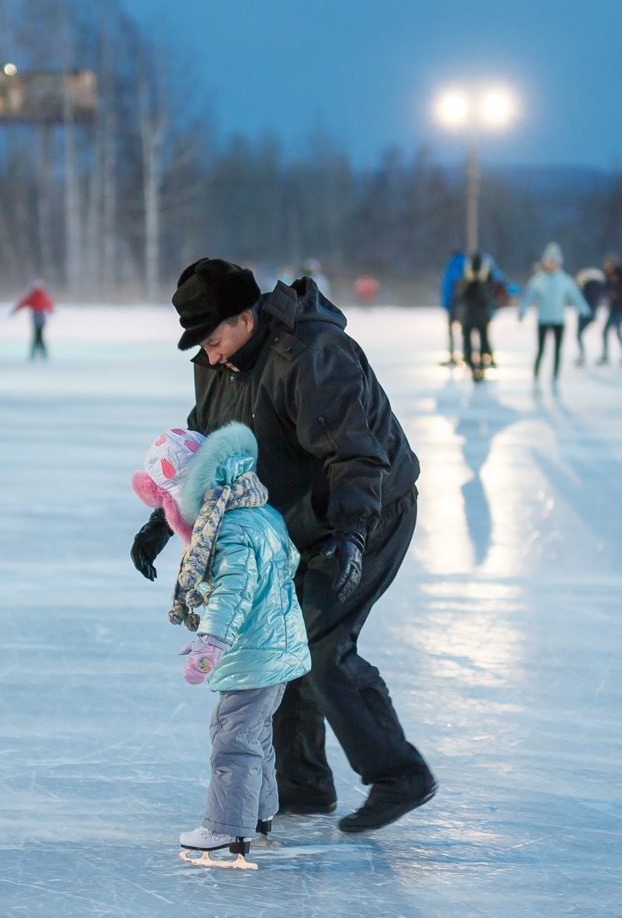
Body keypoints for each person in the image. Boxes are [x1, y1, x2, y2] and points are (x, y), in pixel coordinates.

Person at [132, 258, 435, 833]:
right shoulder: (215, 362)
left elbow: (357, 456)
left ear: (245, 318)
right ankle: (303, 785)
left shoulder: (313, 356)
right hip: (293, 519)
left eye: (214, 339)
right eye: (201, 344)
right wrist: (163, 515)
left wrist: (350, 535)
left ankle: (399, 775)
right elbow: (206, 443)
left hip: (368, 508)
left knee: (321, 646)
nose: (210, 355)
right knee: (277, 642)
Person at [131, 424, 310, 859]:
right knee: (255, 734)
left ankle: (228, 827)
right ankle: (259, 813)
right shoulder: (258, 509)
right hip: (274, 642)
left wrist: (209, 644)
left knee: (233, 738)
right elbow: (288, 561)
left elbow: (233, 589)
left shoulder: (229, 528)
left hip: (254, 650)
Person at [517, 242, 589, 390]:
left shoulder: (564, 280)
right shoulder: (538, 280)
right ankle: (536, 376)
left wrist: (584, 309)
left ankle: (555, 377)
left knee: (557, 350)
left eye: (554, 262)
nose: (551, 264)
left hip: (558, 321)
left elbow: (575, 296)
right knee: (541, 349)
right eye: (549, 261)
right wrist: (522, 311)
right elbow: (529, 297)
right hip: (543, 320)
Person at [455, 251, 501, 383]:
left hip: (480, 315)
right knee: (469, 343)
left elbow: (489, 296)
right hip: (470, 315)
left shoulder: (486, 276)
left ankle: (481, 365)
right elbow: (461, 296)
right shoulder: (465, 275)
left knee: (483, 341)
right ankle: (472, 366)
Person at [600, 254, 622, 365]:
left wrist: (618, 279)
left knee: (618, 331)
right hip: (613, 307)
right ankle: (605, 356)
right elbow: (606, 289)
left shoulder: (621, 273)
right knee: (605, 332)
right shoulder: (608, 275)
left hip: (621, 307)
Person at [10, 279, 54, 360]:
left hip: (36, 317)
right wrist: (51, 310)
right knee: (39, 335)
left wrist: (15, 310)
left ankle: (34, 354)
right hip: (41, 318)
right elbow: (49, 304)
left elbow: (23, 303)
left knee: (37, 336)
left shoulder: (33, 296)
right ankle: (41, 353)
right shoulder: (43, 295)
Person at [573, 266, 606, 367]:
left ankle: (582, 355)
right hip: (591, 314)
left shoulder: (587, 288)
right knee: (580, 335)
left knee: (579, 335)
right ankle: (585, 355)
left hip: (585, 314)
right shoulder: (598, 287)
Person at [438, 249, 466, 367]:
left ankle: (452, 355)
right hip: (463, 306)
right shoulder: (465, 266)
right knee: (464, 332)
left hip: (454, 305)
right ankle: (465, 354)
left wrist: (446, 303)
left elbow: (448, 288)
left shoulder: (451, 268)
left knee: (452, 332)